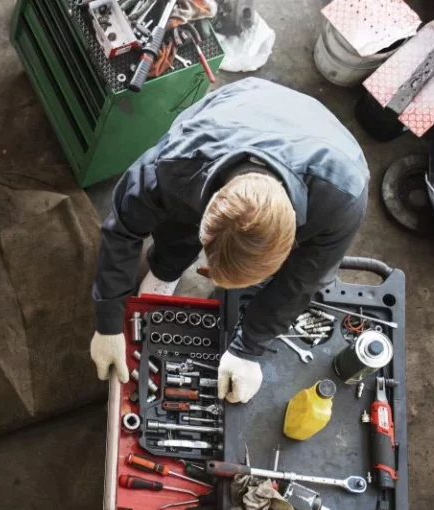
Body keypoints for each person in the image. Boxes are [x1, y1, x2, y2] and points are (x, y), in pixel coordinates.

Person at [89, 78, 369, 403]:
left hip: (321, 139)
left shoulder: (342, 200)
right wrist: (108, 319)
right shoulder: (173, 165)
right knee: (175, 228)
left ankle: (174, 267)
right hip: (241, 105)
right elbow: (122, 228)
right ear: (207, 210)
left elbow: (301, 282)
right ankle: (166, 269)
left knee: (303, 279)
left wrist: (248, 348)